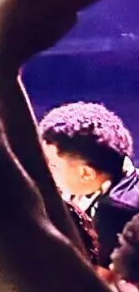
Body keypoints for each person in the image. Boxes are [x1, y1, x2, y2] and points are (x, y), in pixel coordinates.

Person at [37, 101, 139, 262]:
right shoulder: (110, 174)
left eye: (53, 165)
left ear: (86, 174)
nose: (46, 171)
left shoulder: (116, 219)